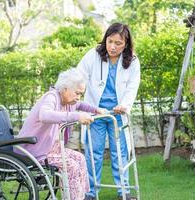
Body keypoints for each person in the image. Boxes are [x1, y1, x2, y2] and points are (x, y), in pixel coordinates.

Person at [16, 68, 103, 200]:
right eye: (77, 93)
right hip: (35, 150)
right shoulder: (51, 97)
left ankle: (80, 196)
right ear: (65, 88)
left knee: (80, 158)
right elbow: (45, 115)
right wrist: (76, 116)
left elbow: (80, 105)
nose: (78, 97)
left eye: (81, 94)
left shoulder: (68, 101)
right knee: (71, 166)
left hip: (51, 149)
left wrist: (96, 110)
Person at [77, 23, 140, 200]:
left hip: (117, 114)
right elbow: (79, 75)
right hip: (95, 113)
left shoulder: (133, 61)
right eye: (109, 41)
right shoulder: (93, 55)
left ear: (126, 44)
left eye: (118, 43)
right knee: (93, 154)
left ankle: (124, 192)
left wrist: (125, 105)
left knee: (119, 154)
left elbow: (132, 87)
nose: (112, 47)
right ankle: (90, 192)